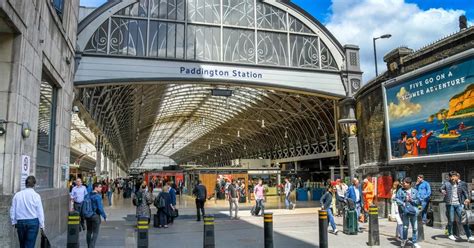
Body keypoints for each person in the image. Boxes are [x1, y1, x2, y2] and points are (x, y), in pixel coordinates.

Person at [10, 176, 45, 248]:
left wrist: (13, 221)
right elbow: (40, 212)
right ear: (34, 185)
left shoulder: (17, 195)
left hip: (20, 222)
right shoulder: (36, 196)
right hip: (33, 222)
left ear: (25, 184)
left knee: (22, 244)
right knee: (30, 245)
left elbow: (13, 209)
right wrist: (42, 225)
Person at [440, 171, 474, 242]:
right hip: (450, 204)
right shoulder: (447, 183)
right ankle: (450, 234)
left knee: (464, 220)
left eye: (455, 176)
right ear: (450, 177)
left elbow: (465, 192)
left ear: (457, 177)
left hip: (458, 204)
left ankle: (469, 236)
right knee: (451, 220)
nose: (454, 177)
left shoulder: (460, 184)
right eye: (452, 176)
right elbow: (441, 189)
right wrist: (442, 191)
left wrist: (467, 198)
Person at [396, 177, 420, 248]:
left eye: (406, 183)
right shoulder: (400, 190)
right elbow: (396, 199)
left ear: (409, 184)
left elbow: (418, 201)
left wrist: (412, 200)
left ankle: (414, 242)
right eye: (403, 183)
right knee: (405, 227)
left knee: (415, 228)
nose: (404, 184)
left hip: (413, 211)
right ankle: (404, 239)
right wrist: (403, 203)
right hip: (405, 211)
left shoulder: (415, 191)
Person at [86, 183, 107, 248]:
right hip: (95, 216)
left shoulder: (87, 195)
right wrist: (104, 215)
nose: (101, 188)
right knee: (95, 232)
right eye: (100, 187)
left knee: (89, 231)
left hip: (88, 216)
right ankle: (91, 246)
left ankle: (89, 245)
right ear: (95, 188)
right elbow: (100, 208)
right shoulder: (98, 196)